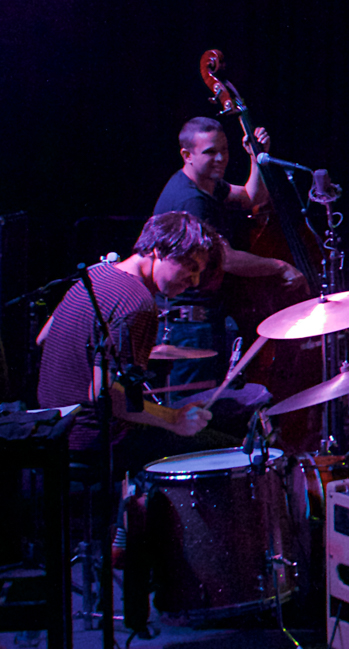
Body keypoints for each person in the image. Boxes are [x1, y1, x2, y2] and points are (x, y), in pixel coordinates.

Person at [36, 212, 229, 472]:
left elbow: (43, 337)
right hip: (96, 439)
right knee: (228, 451)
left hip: (55, 427)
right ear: (159, 250)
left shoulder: (94, 277)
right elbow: (103, 394)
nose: (194, 282)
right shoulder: (138, 303)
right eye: (191, 268)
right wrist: (174, 418)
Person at [153, 116, 305, 392]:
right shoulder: (190, 200)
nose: (221, 158)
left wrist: (256, 157)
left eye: (224, 149)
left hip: (201, 319)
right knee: (192, 408)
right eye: (210, 152)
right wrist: (280, 267)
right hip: (186, 325)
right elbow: (227, 258)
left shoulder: (206, 184)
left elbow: (251, 197)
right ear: (186, 155)